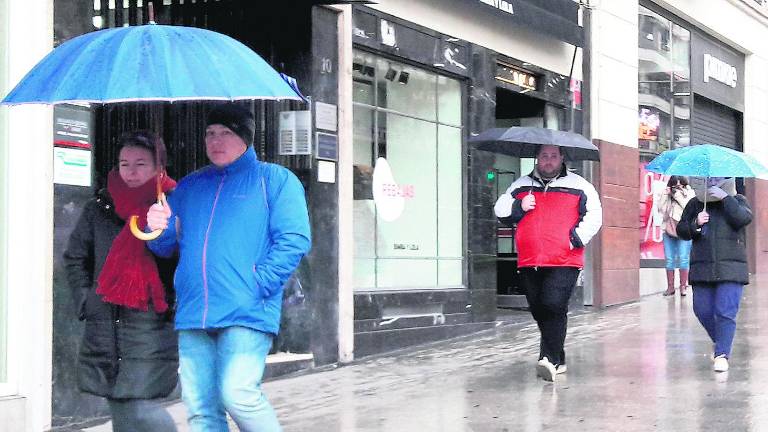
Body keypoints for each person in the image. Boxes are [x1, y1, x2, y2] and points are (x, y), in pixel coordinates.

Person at [146, 103, 311, 431]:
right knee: (201, 410)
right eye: (210, 133)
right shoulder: (189, 187)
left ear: (245, 138)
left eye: (225, 133)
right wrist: (157, 225)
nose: (215, 140)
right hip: (195, 312)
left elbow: (294, 239)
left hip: (246, 310)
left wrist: (258, 283)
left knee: (238, 394)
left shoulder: (275, 180)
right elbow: (164, 246)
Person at [63, 130, 179, 432]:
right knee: (122, 414)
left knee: (140, 410)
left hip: (149, 326)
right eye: (124, 163)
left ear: (158, 168)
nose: (130, 171)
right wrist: (86, 300)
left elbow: (182, 260)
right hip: (104, 326)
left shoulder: (172, 207)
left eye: (141, 164)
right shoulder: (99, 208)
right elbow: (76, 257)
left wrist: (166, 229)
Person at [494, 144, 602, 382]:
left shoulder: (580, 185)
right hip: (530, 260)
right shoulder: (521, 185)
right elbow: (499, 209)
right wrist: (518, 207)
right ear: (537, 159)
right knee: (539, 309)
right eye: (544, 156)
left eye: (554, 156)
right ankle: (558, 357)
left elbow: (595, 215)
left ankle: (549, 359)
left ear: (562, 157)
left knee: (553, 304)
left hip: (565, 259)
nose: (549, 161)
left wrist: (575, 239)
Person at [676, 176, 752, 373]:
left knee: (725, 311)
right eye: (711, 178)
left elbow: (743, 219)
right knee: (702, 310)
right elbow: (682, 230)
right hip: (702, 265)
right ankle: (721, 343)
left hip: (731, 267)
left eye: (719, 178)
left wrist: (726, 198)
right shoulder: (695, 204)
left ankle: (722, 355)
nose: (714, 182)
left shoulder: (738, 200)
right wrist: (696, 223)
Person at [658, 176, 695, 296]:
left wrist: (677, 195)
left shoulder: (690, 193)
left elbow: (688, 208)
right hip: (668, 230)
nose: (677, 189)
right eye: (675, 186)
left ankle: (683, 286)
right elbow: (660, 209)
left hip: (683, 230)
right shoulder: (668, 194)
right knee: (669, 260)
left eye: (680, 186)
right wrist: (665, 195)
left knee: (683, 258)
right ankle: (670, 287)